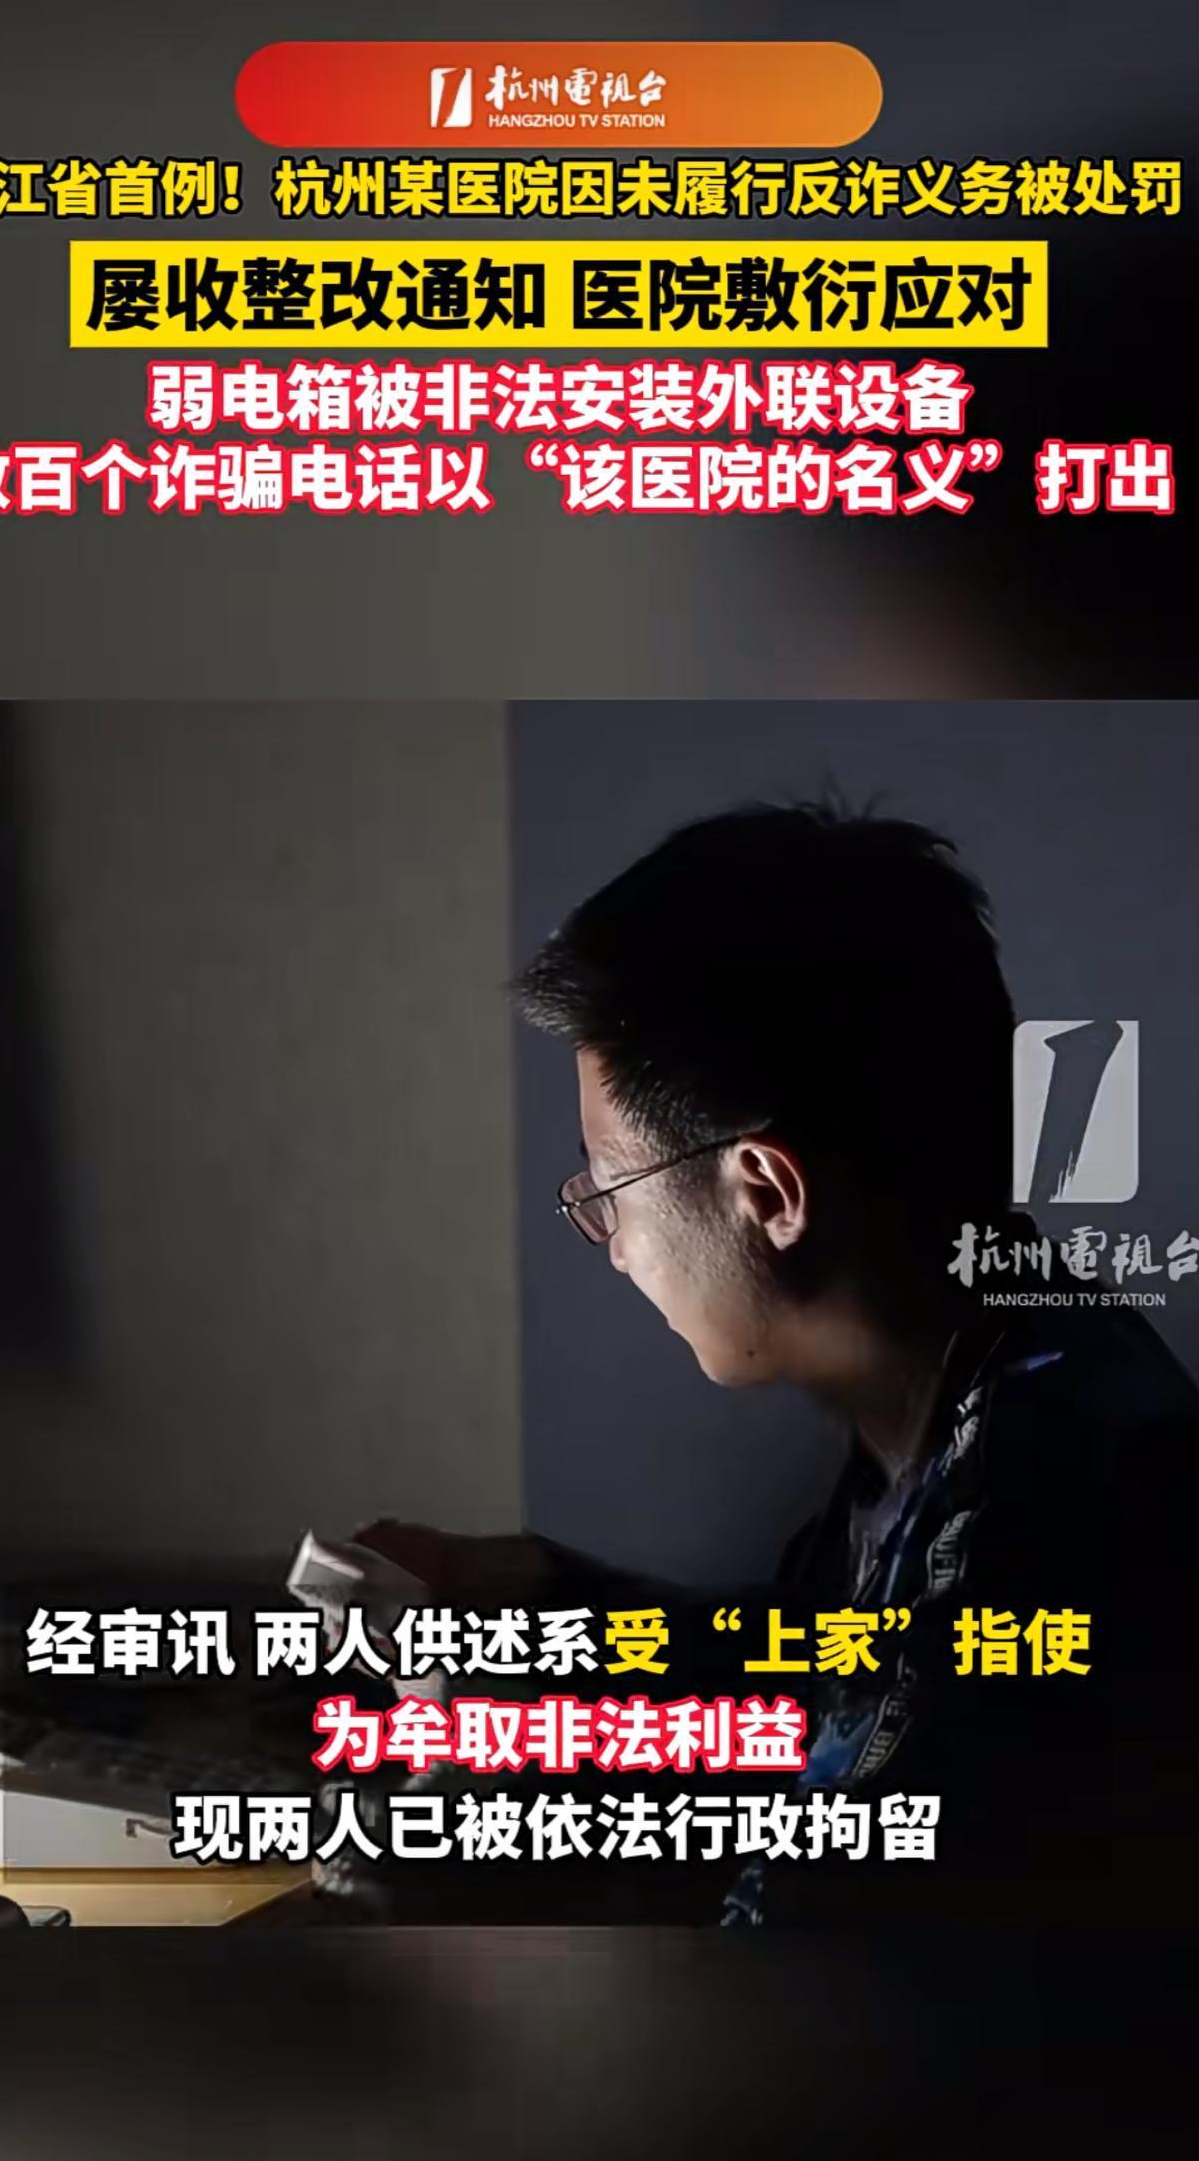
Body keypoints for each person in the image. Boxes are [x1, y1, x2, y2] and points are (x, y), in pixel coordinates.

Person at [359, 805, 1199, 1922]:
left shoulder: (1066, 1513)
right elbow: (812, 1672)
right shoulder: (973, 1374)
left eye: (609, 1187)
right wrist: (543, 1595)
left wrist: (452, 1860)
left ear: (766, 1191)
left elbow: (822, 1939)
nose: (612, 1244)